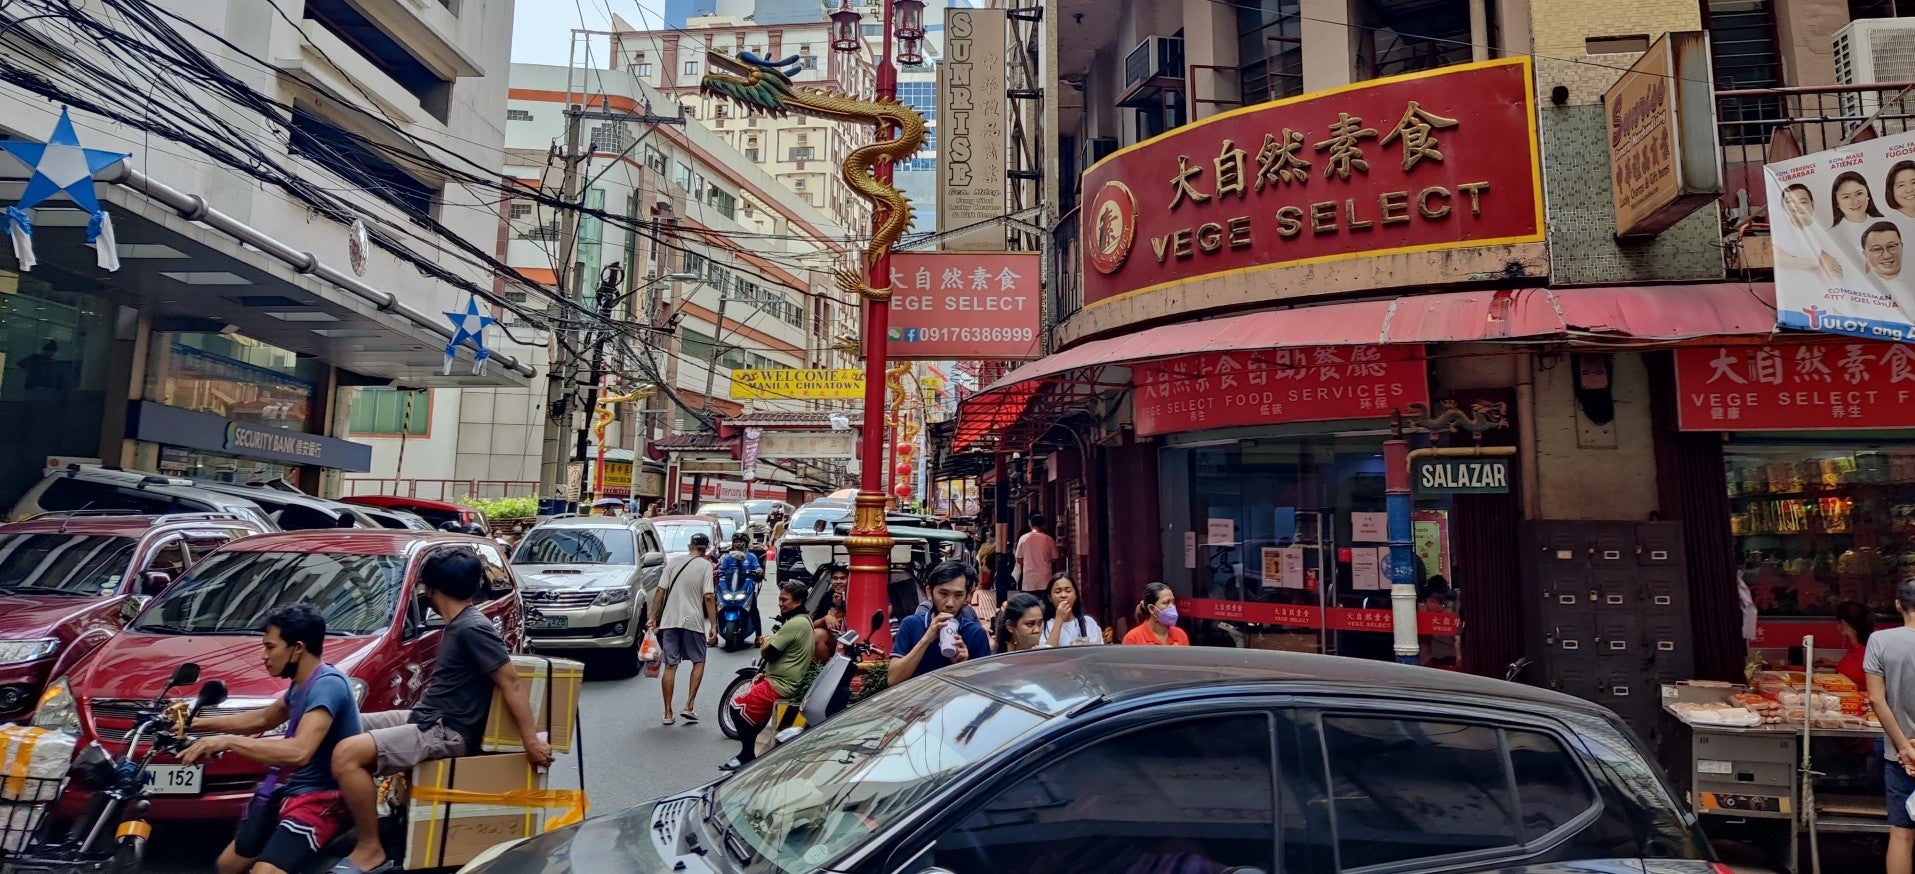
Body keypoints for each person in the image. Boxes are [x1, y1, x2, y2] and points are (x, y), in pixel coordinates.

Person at [331, 550, 549, 874]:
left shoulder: (472, 628)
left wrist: (531, 742)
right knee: (342, 726)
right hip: (426, 717)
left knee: (348, 753)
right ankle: (349, 816)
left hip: (447, 730)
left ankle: (370, 848)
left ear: (431, 589)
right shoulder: (458, 625)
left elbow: (511, 682)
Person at [181, 606, 361, 874]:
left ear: (297, 648)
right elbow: (263, 719)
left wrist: (228, 742)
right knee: (228, 866)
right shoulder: (302, 683)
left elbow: (299, 751)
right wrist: (192, 724)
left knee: (263, 872)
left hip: (324, 799)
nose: (264, 656)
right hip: (294, 792)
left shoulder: (328, 685)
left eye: (270, 647)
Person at [721, 579, 814, 771]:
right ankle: (747, 753)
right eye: (780, 599)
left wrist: (766, 643)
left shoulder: (795, 624)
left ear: (797, 602)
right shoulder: (802, 621)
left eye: (784, 600)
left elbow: (770, 652)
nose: (780, 603)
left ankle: (747, 754)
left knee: (737, 708)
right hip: (778, 679)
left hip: (782, 684)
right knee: (748, 712)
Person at [1866, 578, 1915, 874]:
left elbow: (1875, 698)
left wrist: (1905, 746)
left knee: (1901, 833)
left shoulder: (1880, 641)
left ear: (1898, 604)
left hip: (1899, 756)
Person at [649, 532, 717, 725]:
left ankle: (668, 713)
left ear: (690, 546)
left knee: (670, 665)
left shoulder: (674, 562)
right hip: (693, 621)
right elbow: (709, 596)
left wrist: (653, 617)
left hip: (670, 621)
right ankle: (688, 705)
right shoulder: (705, 565)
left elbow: (660, 590)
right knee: (699, 659)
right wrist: (713, 624)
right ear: (706, 550)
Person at [889, 560, 992, 685]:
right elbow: (893, 679)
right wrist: (926, 639)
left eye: (958, 595)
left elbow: (984, 687)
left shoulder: (975, 633)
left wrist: (963, 665)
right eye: (943, 594)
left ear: (967, 597)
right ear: (929, 592)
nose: (950, 603)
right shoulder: (911, 625)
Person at [717, 533, 765, 645]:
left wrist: (759, 571)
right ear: (733, 543)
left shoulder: (751, 557)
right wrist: (717, 571)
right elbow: (721, 569)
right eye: (736, 542)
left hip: (745, 588)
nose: (738, 544)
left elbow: (757, 567)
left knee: (754, 608)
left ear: (745, 543)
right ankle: (714, 634)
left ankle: (758, 636)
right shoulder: (728, 557)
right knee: (717, 607)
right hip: (730, 588)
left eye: (741, 541)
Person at [1043, 572, 1104, 648]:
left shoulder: (1088, 623)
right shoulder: (1044, 626)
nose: (1063, 595)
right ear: (1050, 597)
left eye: (1068, 591)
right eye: (1058, 592)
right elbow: (1046, 655)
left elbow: (1097, 652)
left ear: (1075, 595)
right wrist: (1059, 620)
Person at [1123, 582, 1191, 646]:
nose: (1172, 607)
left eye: (1173, 602)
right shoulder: (1133, 638)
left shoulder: (1180, 635)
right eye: (1166, 603)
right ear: (1151, 609)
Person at [1013, 513, 1059, 593]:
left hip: (1029, 580)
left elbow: (1019, 559)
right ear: (1043, 525)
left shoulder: (1023, 539)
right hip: (1045, 579)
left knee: (1030, 604)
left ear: (1030, 524)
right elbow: (1055, 559)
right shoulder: (1049, 539)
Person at [1835, 600, 1875, 689]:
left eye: (1839, 622)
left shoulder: (1866, 654)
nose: (1837, 626)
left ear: (1843, 623)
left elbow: (1853, 674)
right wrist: (1833, 664)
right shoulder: (1858, 650)